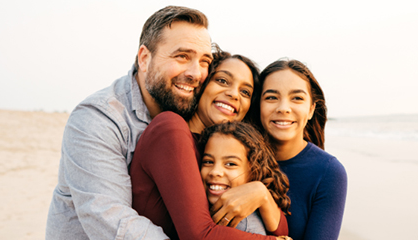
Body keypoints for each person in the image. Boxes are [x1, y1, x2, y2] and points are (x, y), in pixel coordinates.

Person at [46, 6, 214, 239]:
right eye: (182, 56)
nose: (196, 73)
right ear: (144, 58)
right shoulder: (97, 118)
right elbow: (111, 220)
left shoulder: (189, 110)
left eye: (205, 61)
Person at [129, 50, 291, 239]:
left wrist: (262, 194)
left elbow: (281, 229)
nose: (233, 94)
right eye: (222, 81)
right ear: (201, 84)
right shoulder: (171, 128)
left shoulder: (220, 150)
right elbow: (198, 235)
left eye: (245, 92)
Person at [250, 59, 348, 240]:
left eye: (297, 98)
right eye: (271, 97)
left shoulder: (329, 173)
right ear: (258, 106)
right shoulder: (239, 159)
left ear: (311, 110)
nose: (283, 108)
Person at [198, 121, 291, 235]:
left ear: (253, 171)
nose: (215, 171)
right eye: (208, 162)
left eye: (230, 164)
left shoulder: (242, 225)